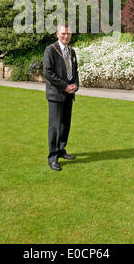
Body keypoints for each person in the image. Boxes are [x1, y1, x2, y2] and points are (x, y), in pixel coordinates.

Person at [43, 23, 79, 171]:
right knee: (55, 127)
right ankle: (53, 157)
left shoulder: (72, 51)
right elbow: (48, 72)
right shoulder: (50, 50)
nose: (66, 36)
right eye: (63, 33)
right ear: (57, 34)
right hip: (56, 95)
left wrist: (75, 85)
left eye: (68, 34)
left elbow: (75, 71)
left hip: (69, 95)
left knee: (65, 125)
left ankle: (61, 150)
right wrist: (65, 86)